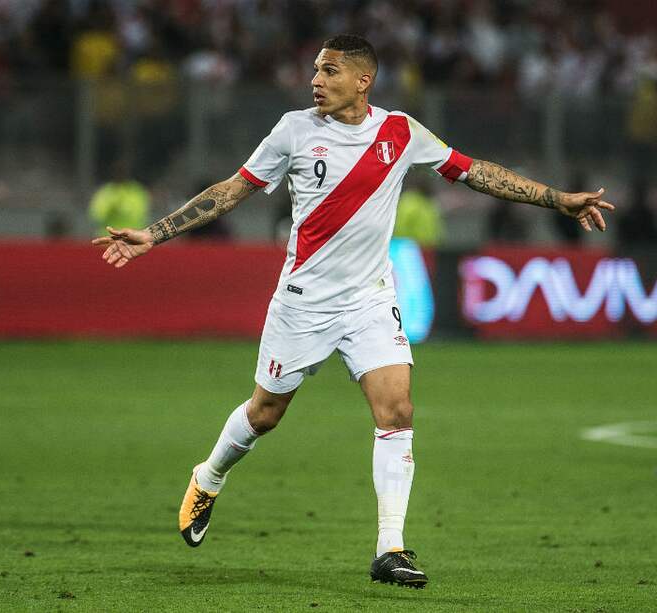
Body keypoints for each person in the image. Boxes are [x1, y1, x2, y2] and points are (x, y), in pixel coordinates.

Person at [93, 35, 614, 588]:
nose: (316, 80)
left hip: (369, 300)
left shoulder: (402, 132)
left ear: (362, 81)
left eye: (330, 71)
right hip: (303, 303)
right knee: (265, 413)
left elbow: (476, 171)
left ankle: (390, 548)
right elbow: (230, 191)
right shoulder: (293, 130)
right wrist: (155, 232)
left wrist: (559, 199)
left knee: (397, 411)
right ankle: (210, 474)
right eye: (316, 69)